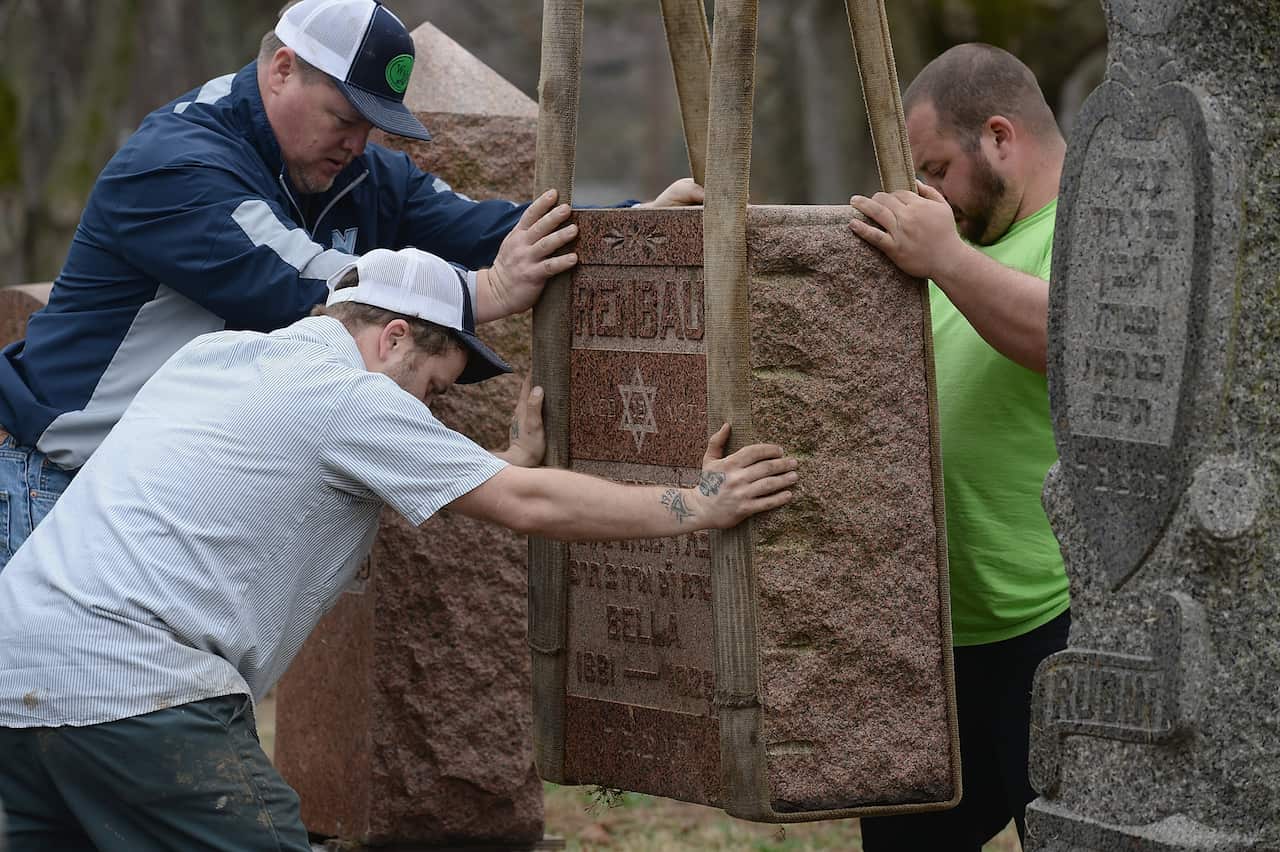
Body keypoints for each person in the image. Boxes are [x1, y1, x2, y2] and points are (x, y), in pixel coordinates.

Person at [0, 246, 797, 852]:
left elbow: (294, 484)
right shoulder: (350, 398)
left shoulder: (217, 358)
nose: (429, 411)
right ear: (392, 338)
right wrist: (698, 503)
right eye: (435, 390)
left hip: (17, 675)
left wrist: (496, 468)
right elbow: (522, 506)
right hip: (138, 693)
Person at [0, 0, 702, 570]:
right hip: (52, 486)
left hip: (155, 504)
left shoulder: (358, 174)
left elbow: (498, 229)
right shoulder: (175, 165)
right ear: (282, 70)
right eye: (344, 118)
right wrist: (484, 293)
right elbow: (308, 284)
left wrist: (634, 230)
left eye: (372, 127)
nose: (356, 144)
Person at [848, 43, 1071, 850]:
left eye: (936, 168)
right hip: (929, 639)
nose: (928, 195)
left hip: (1048, 627)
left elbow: (1075, 341)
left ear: (1001, 138)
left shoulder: (1092, 225)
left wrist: (945, 256)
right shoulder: (957, 247)